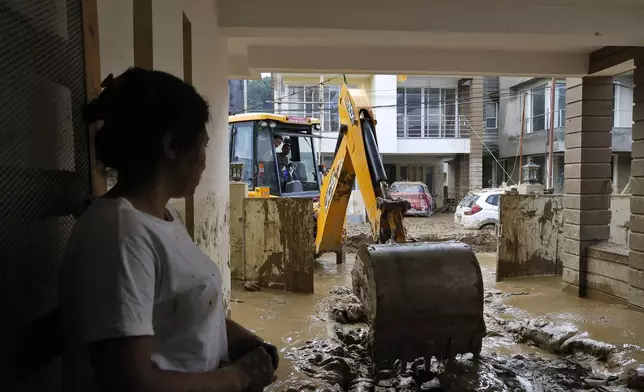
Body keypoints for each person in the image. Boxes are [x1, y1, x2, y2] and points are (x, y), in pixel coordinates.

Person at [59, 68, 278, 392]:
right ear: (172, 146)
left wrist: (245, 342)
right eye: (202, 146)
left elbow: (183, 313)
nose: (204, 162)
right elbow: (130, 382)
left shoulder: (163, 217)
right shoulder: (120, 235)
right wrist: (238, 377)